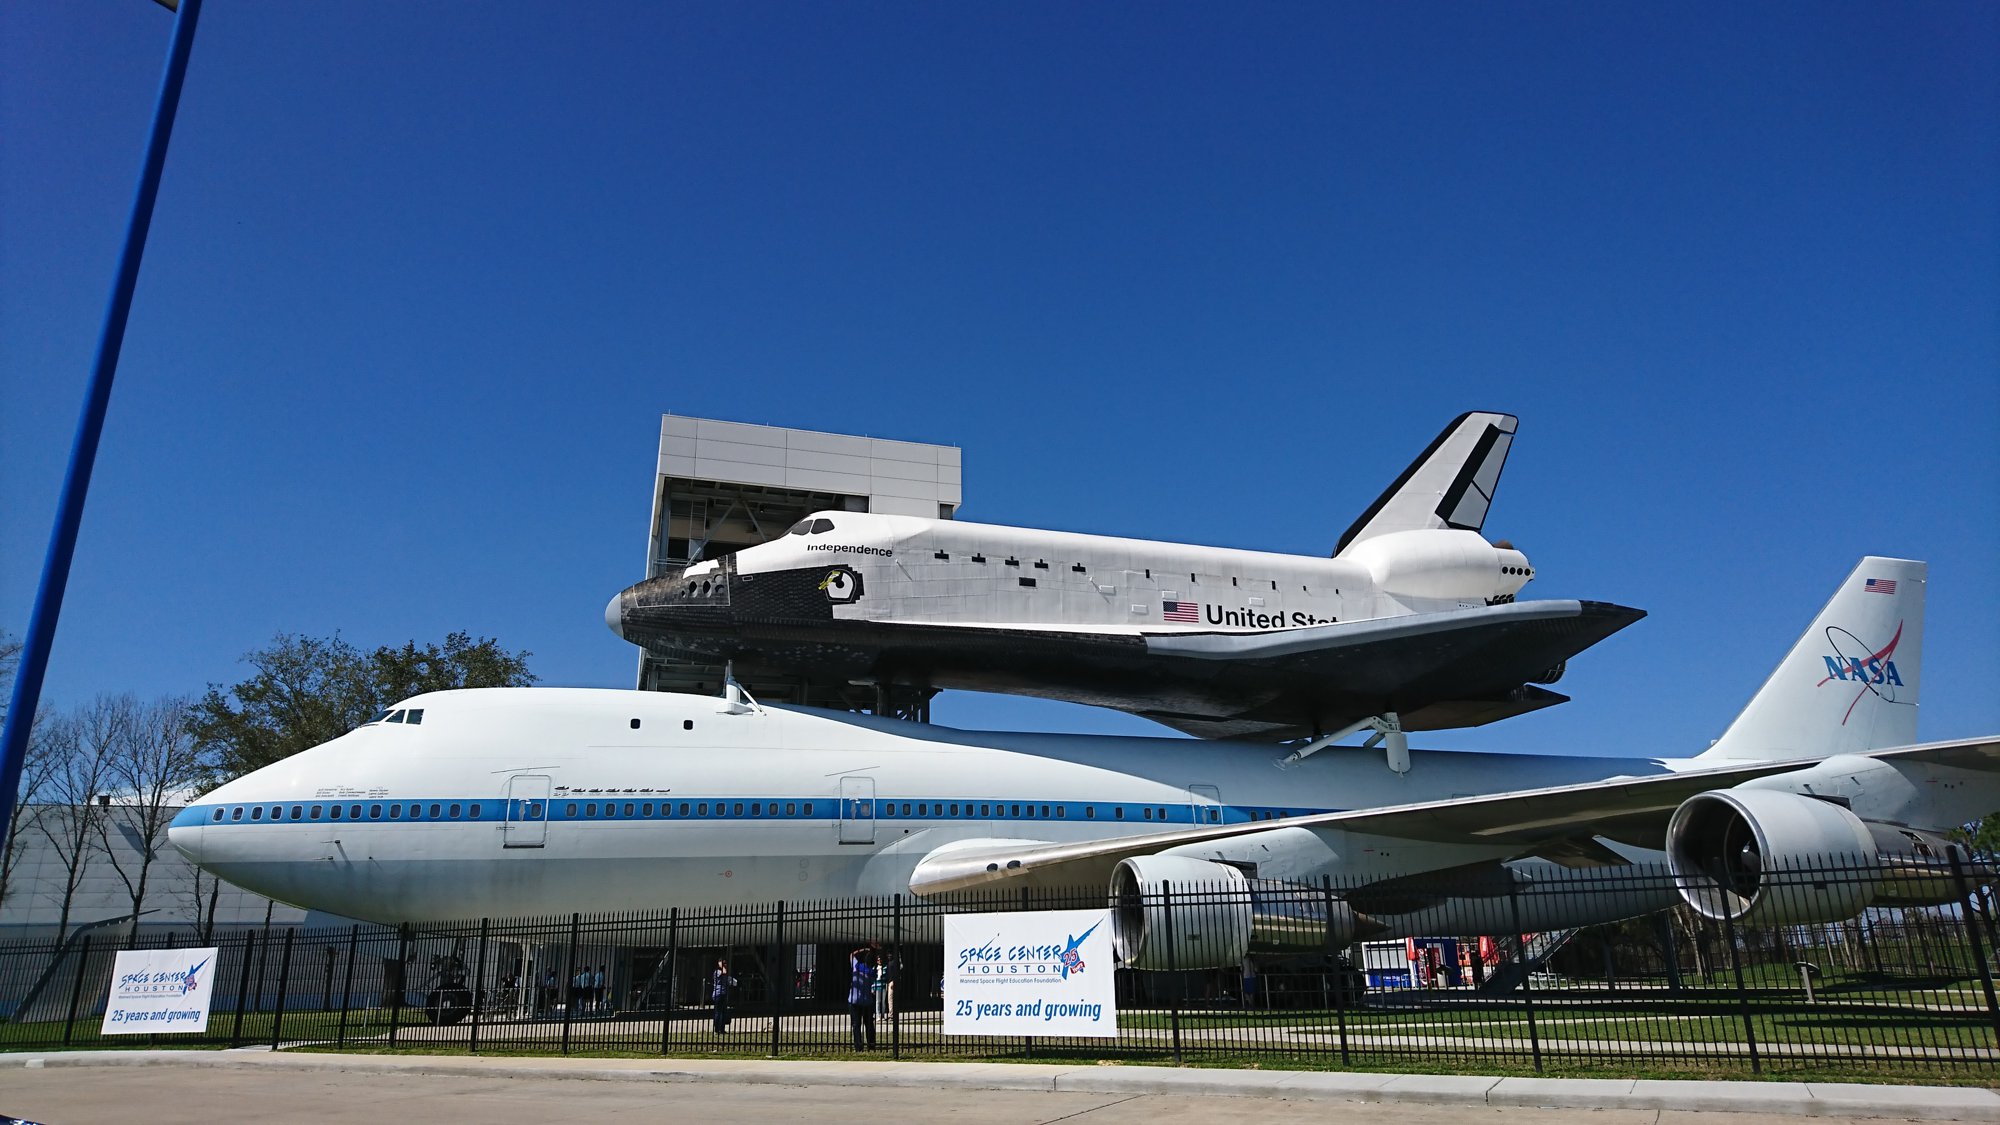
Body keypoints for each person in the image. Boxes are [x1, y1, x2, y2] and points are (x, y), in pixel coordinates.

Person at [848, 944, 878, 1049]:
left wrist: (864, 949)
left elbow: (851, 955)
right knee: (869, 1024)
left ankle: (858, 1045)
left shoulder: (856, 967)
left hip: (854, 1000)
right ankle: (871, 1044)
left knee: (856, 1025)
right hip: (867, 1001)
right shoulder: (873, 973)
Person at [711, 958, 737, 1033]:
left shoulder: (724, 974)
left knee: (723, 1012)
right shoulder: (717, 972)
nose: (725, 965)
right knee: (718, 1012)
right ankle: (716, 1029)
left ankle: (721, 1029)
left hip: (724, 993)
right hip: (718, 993)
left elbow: (729, 981)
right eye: (723, 963)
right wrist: (721, 965)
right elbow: (724, 972)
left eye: (725, 963)